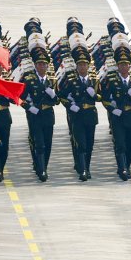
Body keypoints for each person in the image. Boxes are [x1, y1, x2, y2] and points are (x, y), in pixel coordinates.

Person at [57, 48, 99, 181]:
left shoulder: (94, 81)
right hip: (77, 116)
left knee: (90, 144)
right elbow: (62, 96)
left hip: (91, 116)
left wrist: (95, 95)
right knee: (81, 144)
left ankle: (87, 166)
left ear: (88, 66)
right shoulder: (71, 81)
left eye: (84, 64)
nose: (82, 67)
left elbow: (102, 97)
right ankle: (83, 170)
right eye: (80, 65)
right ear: (77, 66)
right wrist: (70, 106)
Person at [101, 46, 131, 181]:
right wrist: (113, 110)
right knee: (120, 144)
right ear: (117, 66)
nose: (124, 67)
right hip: (117, 117)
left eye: (126, 64)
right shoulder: (111, 80)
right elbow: (105, 99)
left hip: (130, 116)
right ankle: (122, 168)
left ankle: (126, 166)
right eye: (121, 64)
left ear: (129, 66)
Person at [21, 50, 58, 182]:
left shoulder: (52, 80)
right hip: (35, 116)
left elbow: (57, 101)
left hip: (48, 115)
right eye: (39, 64)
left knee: (48, 143)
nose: (42, 66)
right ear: (35, 65)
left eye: (44, 64)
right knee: (40, 144)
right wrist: (29, 107)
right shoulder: (29, 79)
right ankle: (41, 170)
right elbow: (21, 98)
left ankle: (43, 166)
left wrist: (53, 94)